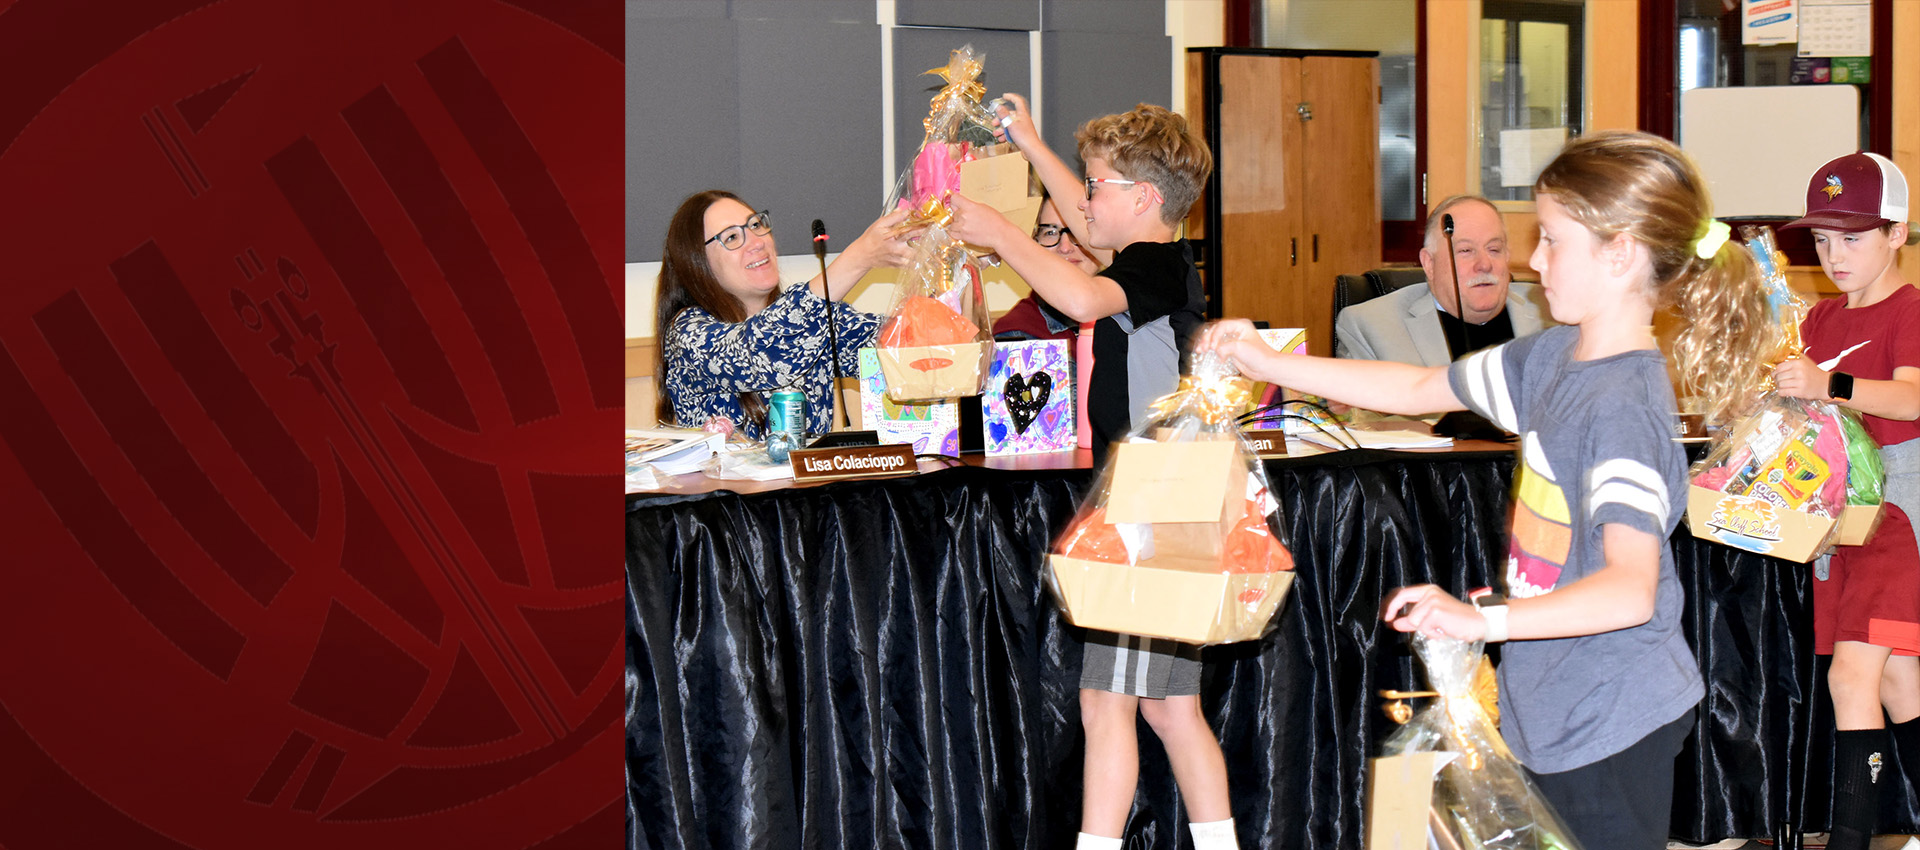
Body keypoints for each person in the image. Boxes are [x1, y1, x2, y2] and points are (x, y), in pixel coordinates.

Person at [1201, 130, 1777, 850]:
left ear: (1621, 253)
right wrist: (1261, 357)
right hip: (1553, 700)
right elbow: (1414, 386)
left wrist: (1482, 623)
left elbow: (1630, 591)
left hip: (1611, 715)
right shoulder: (1552, 358)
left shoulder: (1622, 406)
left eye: (1555, 241)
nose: (1533, 263)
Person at [945, 97, 1229, 850]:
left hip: (1156, 502)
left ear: (1142, 199)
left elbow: (1074, 296)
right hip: (1171, 494)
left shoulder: (1154, 267)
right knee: (1169, 708)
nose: (1081, 207)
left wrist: (1002, 233)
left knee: (1107, 702)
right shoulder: (1151, 253)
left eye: (1098, 187)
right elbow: (1086, 213)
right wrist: (1030, 141)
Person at [1771, 151, 1920, 850]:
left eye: (1853, 237)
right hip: (1838, 517)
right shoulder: (1820, 319)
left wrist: (1831, 385)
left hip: (1900, 516)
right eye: (1823, 239)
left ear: (1897, 232)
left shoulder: (1911, 308)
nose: (1834, 254)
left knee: (1853, 675)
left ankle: (1851, 842)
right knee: (1897, 681)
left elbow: (1913, 397)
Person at [653, 190, 916, 438]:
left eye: (756, 225)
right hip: (727, 487)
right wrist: (858, 258)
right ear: (697, 263)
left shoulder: (811, 319)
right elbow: (764, 354)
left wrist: (948, 257)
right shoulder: (687, 334)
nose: (756, 242)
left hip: (809, 486)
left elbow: (903, 348)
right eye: (732, 237)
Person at [1334, 194, 1554, 365]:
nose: (1485, 264)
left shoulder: (1553, 309)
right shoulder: (1370, 326)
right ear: (1429, 263)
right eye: (1466, 250)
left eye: (1494, 249)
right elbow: (1362, 421)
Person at [990, 194, 1111, 342]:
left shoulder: (1130, 317)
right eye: (1050, 233)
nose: (1065, 248)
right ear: (1034, 242)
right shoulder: (1016, 333)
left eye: (1076, 231)